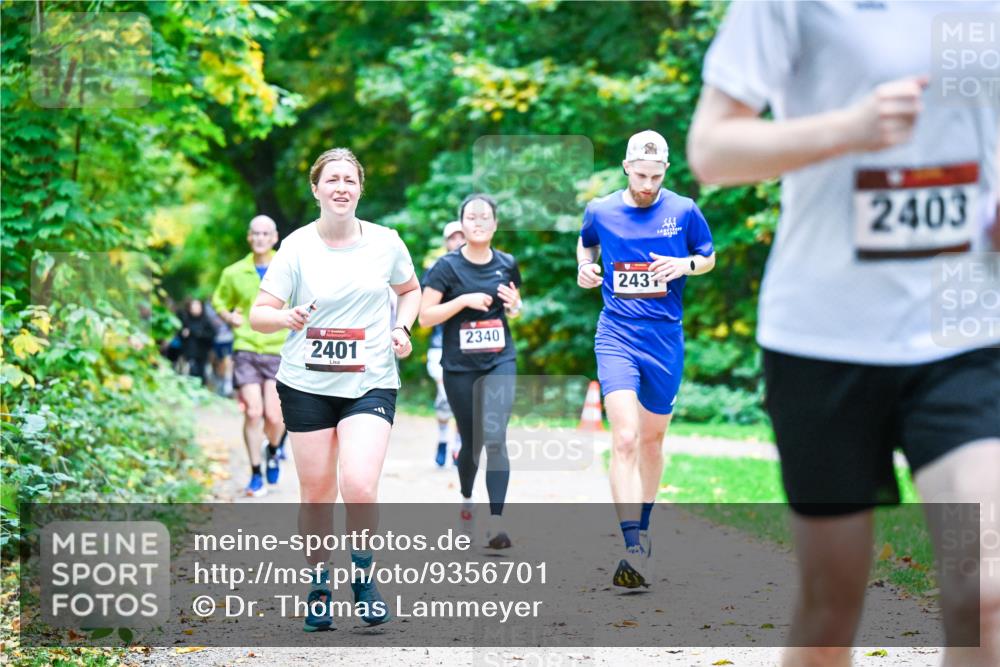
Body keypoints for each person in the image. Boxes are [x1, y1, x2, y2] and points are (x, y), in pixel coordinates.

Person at [688, 3, 999, 665]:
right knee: (831, 608)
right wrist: (849, 128)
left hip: (965, 325)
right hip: (823, 336)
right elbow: (712, 150)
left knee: (988, 595)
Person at [249, 147, 420, 632]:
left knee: (361, 485)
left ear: (360, 188)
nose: (341, 187)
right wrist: (286, 316)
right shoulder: (298, 246)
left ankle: (363, 577)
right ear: (316, 188)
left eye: (349, 179)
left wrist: (403, 330)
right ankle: (320, 584)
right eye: (332, 179)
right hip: (306, 383)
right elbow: (259, 315)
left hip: (371, 380)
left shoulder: (386, 242)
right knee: (318, 493)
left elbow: (411, 292)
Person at [576, 130, 716, 589]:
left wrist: (685, 266)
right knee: (626, 438)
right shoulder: (601, 210)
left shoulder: (683, 210)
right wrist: (585, 268)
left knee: (653, 442)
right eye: (641, 175)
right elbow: (587, 243)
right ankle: (631, 545)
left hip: (664, 339)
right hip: (616, 333)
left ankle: (646, 528)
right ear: (626, 167)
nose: (648, 184)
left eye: (656, 176)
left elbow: (708, 257)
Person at [419, 194, 522, 549]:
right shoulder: (445, 267)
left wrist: (517, 306)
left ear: (495, 224)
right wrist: (462, 301)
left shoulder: (507, 264)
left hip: (499, 359)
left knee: (495, 434)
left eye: (485, 217)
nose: (478, 222)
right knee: (472, 443)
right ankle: (466, 498)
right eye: (471, 217)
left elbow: (514, 309)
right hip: (459, 367)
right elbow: (424, 316)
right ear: (462, 224)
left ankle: (497, 523)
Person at [212, 215, 289, 498]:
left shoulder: (288, 266)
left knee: (274, 415)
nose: (260, 238)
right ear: (249, 237)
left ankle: (273, 449)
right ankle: (256, 472)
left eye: (265, 233)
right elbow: (219, 300)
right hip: (245, 347)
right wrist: (227, 315)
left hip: (278, 349)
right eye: (255, 233)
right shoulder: (233, 272)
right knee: (254, 412)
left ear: (274, 237)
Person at [425, 220, 465, 467]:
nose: (458, 241)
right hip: (440, 345)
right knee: (445, 398)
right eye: (453, 237)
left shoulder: (479, 267)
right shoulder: (435, 270)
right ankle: (442, 439)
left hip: (467, 347)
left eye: (462, 236)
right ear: (446, 242)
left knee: (463, 399)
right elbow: (424, 311)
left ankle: (459, 446)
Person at [179, 298, 216, 385]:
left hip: (202, 353)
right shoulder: (186, 320)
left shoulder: (206, 321)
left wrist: (197, 334)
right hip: (189, 353)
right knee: (191, 374)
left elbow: (212, 335)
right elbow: (180, 335)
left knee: (201, 375)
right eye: (193, 306)